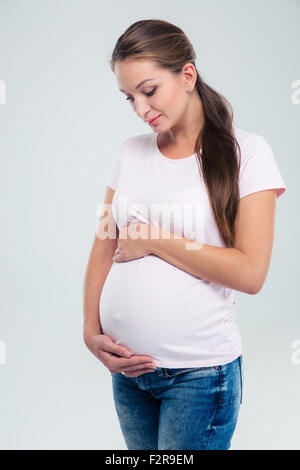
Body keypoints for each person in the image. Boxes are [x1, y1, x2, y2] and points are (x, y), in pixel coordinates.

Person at [83, 19, 287, 450]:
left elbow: (251, 273)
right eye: (129, 98)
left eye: (149, 90)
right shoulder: (129, 152)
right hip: (130, 376)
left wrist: (155, 239)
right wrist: (89, 331)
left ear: (187, 75)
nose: (140, 108)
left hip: (198, 379)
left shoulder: (247, 153)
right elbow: (103, 243)